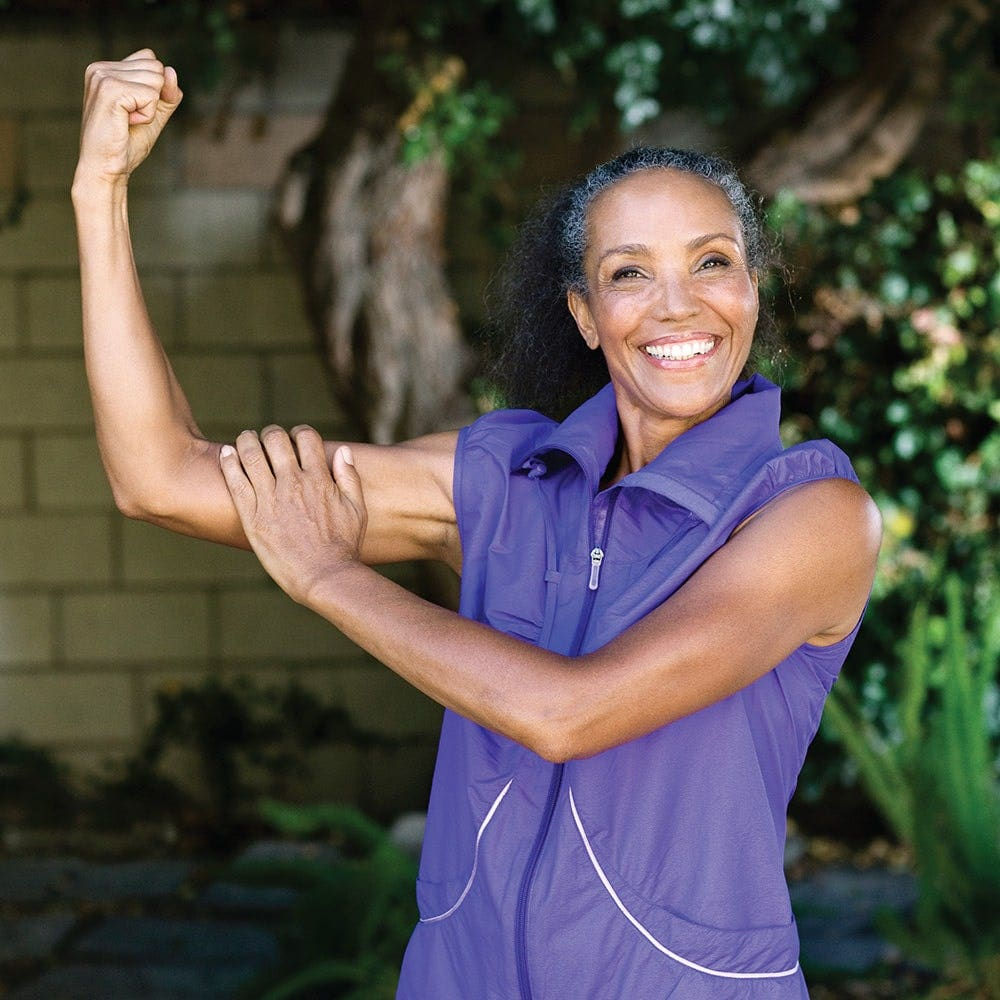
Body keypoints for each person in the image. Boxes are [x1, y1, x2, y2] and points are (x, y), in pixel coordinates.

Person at [74, 50, 881, 999]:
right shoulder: (503, 479)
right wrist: (102, 194)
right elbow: (162, 478)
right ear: (585, 315)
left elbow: (569, 714)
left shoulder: (811, 514)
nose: (679, 304)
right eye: (630, 273)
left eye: (713, 262)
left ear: (752, 286)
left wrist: (332, 579)